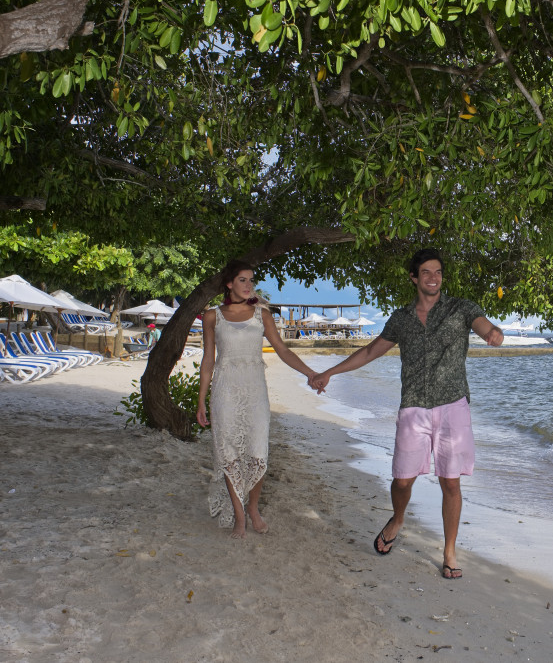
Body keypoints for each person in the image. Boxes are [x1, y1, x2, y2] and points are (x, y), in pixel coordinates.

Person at [311, 248, 503, 579]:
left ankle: (449, 551)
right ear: (414, 277)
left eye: (438, 272)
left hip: (452, 405)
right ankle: (398, 518)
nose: (433, 277)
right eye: (426, 272)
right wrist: (330, 372)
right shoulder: (401, 318)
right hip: (413, 406)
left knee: (451, 482)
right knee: (401, 480)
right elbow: (371, 351)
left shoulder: (461, 308)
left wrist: (492, 333)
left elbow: (483, 325)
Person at [197, 260, 320, 539]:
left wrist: (311, 374)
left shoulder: (262, 314)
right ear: (229, 283)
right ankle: (240, 516)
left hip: (255, 392)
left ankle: (253, 508)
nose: (248, 285)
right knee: (228, 453)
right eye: (242, 280)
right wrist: (201, 400)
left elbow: (282, 350)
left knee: (257, 452)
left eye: (251, 280)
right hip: (225, 391)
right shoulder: (212, 316)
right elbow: (208, 361)